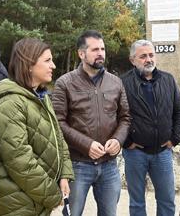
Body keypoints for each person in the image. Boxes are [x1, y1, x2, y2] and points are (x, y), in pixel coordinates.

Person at [0, 38, 74, 216]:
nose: (53, 66)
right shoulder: (10, 103)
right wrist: (52, 195)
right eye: (47, 60)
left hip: (36, 199)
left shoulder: (41, 96)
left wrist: (64, 174)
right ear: (29, 65)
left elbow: (57, 136)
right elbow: (19, 160)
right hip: (19, 203)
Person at [52, 30, 130, 216]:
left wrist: (118, 140)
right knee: (72, 213)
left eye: (102, 49)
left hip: (109, 165)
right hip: (78, 165)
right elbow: (58, 122)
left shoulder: (116, 82)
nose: (101, 53)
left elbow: (125, 118)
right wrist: (86, 144)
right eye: (95, 49)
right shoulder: (65, 83)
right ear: (81, 53)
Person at [121, 39, 180, 216]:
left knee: (166, 200)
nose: (148, 59)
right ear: (132, 60)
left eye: (151, 55)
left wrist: (175, 138)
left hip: (162, 152)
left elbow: (179, 112)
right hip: (135, 153)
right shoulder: (123, 83)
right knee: (137, 203)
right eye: (143, 56)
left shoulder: (168, 80)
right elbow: (116, 115)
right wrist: (127, 142)